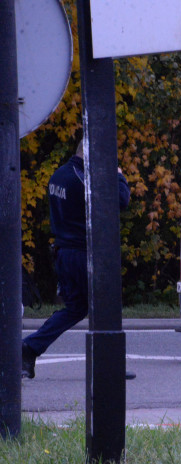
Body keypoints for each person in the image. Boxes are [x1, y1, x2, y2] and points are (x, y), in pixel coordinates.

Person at [22, 140, 131, 379]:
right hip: (84, 255)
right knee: (106, 307)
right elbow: (121, 200)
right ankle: (109, 367)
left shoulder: (58, 176)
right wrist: (118, 176)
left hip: (64, 253)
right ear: (91, 156)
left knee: (75, 308)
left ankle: (29, 348)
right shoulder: (82, 179)